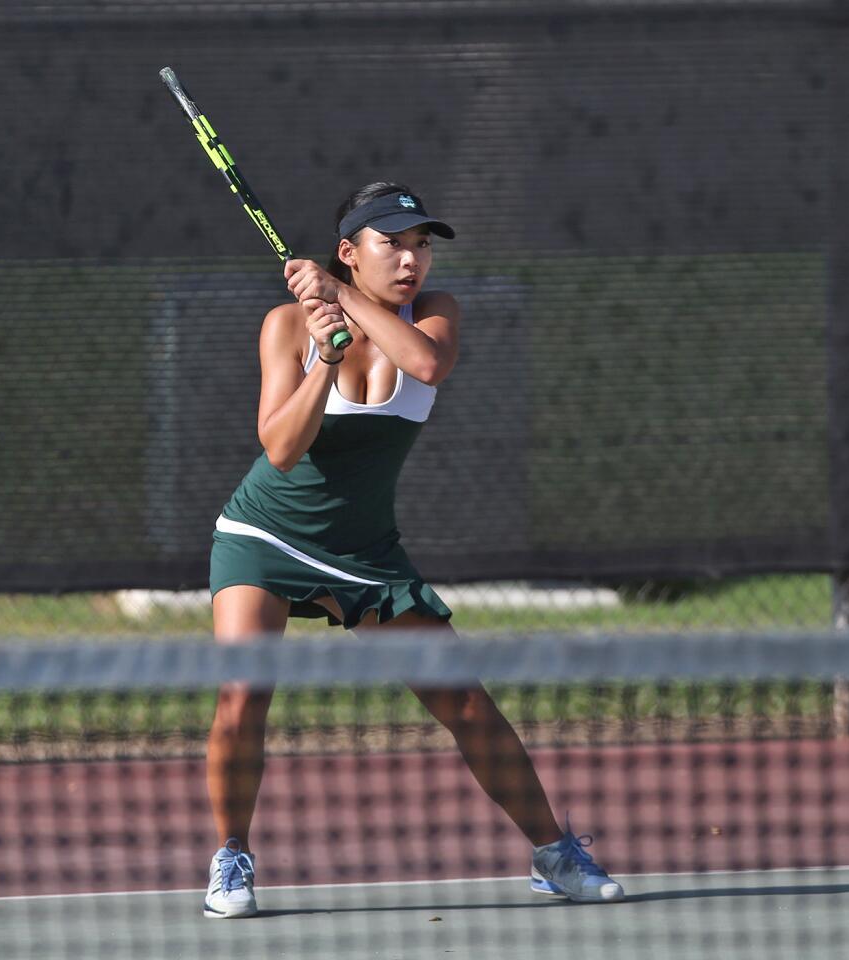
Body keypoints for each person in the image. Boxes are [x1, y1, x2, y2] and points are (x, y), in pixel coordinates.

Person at [202, 182, 623, 918]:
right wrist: (324, 360)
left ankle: (553, 854)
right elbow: (279, 448)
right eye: (391, 243)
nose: (410, 259)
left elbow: (425, 365)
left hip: (364, 552)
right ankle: (231, 858)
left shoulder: (435, 315)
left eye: (421, 244)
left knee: (464, 703)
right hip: (263, 536)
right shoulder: (285, 326)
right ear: (348, 251)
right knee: (242, 695)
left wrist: (341, 297)